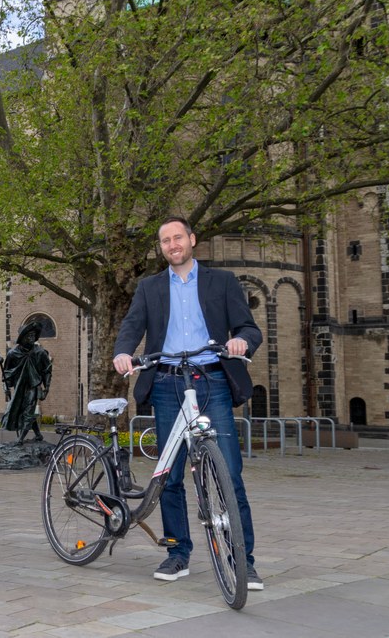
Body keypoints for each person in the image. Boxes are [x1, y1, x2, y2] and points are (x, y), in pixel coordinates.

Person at [112, 217, 264, 591]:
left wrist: (242, 342)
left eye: (178, 237)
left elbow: (249, 327)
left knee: (229, 471)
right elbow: (132, 326)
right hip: (166, 382)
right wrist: (122, 353)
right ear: (161, 248)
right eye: (165, 240)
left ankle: (242, 560)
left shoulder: (222, 282)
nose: (172, 244)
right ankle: (178, 553)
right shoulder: (149, 288)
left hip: (212, 378)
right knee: (171, 473)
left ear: (192, 240)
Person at [0, 321, 52, 444]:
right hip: (19, 388)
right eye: (29, 336)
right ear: (22, 338)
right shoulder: (12, 354)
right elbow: (6, 374)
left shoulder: (40, 352)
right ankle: (38, 435)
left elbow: (47, 370)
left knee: (28, 412)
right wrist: (5, 388)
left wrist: (46, 388)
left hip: (33, 387)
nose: (32, 338)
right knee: (21, 412)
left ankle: (20, 439)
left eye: (34, 336)